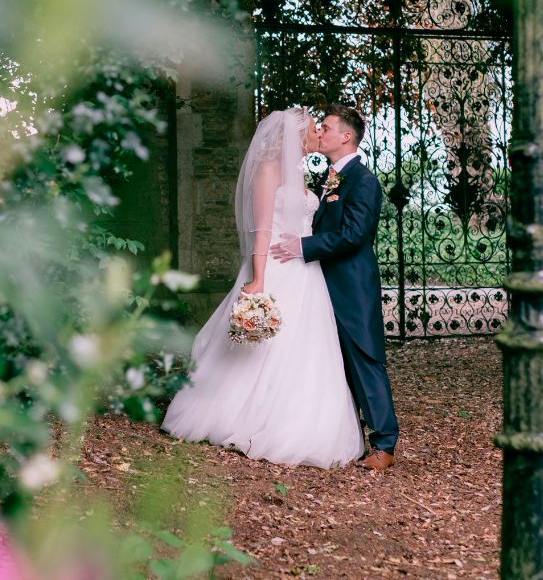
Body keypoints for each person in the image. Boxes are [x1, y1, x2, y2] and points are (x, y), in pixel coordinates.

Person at [161, 107, 363, 468]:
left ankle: (301, 422)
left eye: (322, 128)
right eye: (315, 129)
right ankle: (242, 417)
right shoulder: (268, 171)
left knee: (308, 350)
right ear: (297, 136)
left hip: (307, 272)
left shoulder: (302, 174)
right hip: (275, 267)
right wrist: (258, 279)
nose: (319, 134)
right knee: (263, 348)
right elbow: (263, 231)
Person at [271, 104, 399, 472]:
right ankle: (347, 436)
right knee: (334, 365)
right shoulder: (331, 177)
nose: (319, 133)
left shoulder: (364, 181)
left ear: (346, 136)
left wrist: (302, 247)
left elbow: (356, 235)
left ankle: (385, 445)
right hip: (322, 285)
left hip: (352, 287)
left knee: (365, 360)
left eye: (326, 128)